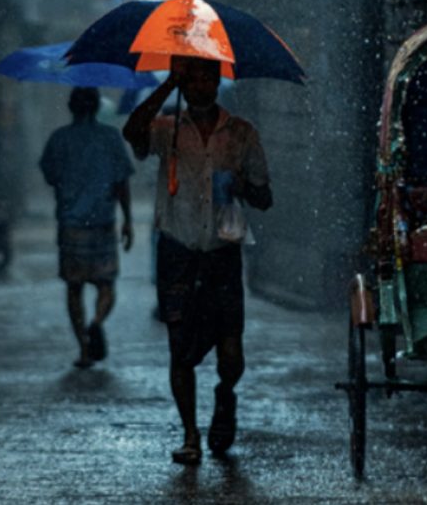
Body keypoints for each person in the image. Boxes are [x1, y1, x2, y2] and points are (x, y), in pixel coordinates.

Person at [122, 56, 272, 464]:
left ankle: (225, 395)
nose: (200, 85)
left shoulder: (241, 134)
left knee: (231, 354)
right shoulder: (166, 130)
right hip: (178, 253)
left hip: (222, 253)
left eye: (208, 76)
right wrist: (167, 85)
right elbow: (131, 131)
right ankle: (190, 434)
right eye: (192, 77)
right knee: (179, 350)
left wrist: (241, 185)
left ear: (218, 80)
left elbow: (265, 197)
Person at [40, 87, 135, 369]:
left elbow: (50, 175)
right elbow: (122, 182)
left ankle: (83, 348)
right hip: (103, 223)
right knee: (106, 284)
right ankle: (96, 321)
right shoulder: (110, 138)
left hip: (71, 225)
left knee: (74, 287)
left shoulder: (59, 139)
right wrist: (127, 219)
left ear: (71, 107)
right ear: (96, 107)